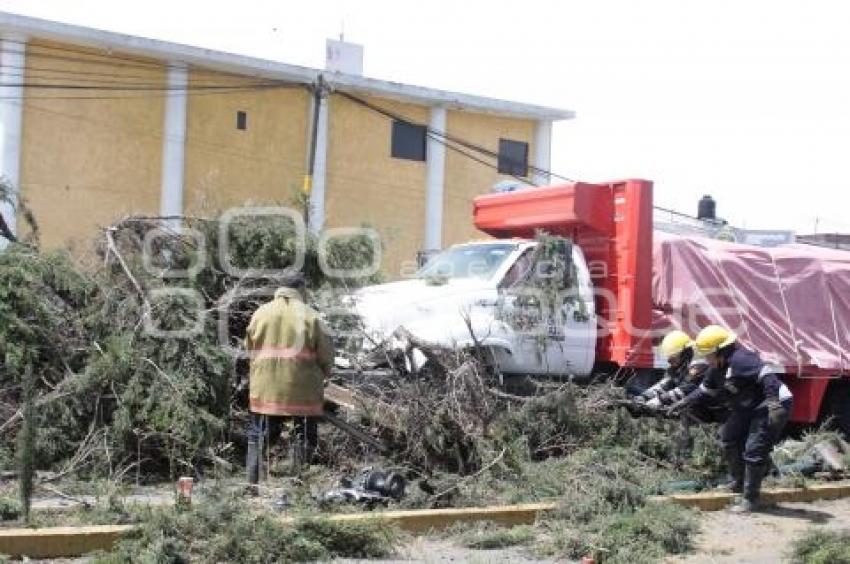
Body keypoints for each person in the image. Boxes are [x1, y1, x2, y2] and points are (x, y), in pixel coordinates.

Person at [671, 325, 793, 512]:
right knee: (728, 437)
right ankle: (737, 481)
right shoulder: (716, 368)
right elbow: (704, 391)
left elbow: (767, 375)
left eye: (708, 354)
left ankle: (751, 500)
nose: (705, 359)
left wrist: (773, 403)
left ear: (720, 351)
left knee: (753, 449)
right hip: (748, 407)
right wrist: (684, 402)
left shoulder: (741, 359)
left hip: (771, 404)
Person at [244, 273, 333, 492]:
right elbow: (326, 355)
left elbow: (249, 348)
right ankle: (298, 487)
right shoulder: (311, 316)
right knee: (303, 435)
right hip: (302, 390)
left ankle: (251, 483)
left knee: (258, 435)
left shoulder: (260, 313)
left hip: (265, 389)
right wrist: (325, 373)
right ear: (301, 289)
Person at [636, 330, 702, 410]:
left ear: (684, 353)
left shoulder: (698, 366)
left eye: (673, 358)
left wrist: (660, 401)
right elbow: (665, 384)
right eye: (669, 359)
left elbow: (686, 389)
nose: (670, 362)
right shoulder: (679, 365)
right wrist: (644, 396)